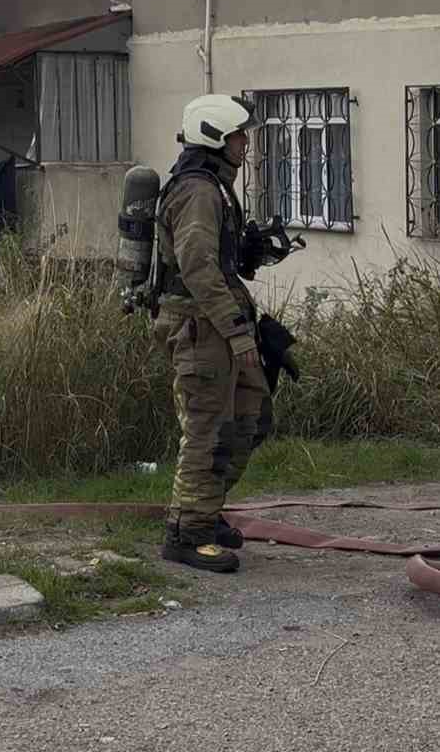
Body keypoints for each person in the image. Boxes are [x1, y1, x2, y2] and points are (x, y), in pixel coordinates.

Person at [153, 94, 273, 573]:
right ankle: (187, 535)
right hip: (201, 328)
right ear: (217, 137)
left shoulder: (215, 189)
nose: (246, 144)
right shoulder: (199, 191)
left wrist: (252, 251)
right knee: (209, 428)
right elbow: (199, 269)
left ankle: (204, 510)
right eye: (239, 135)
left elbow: (219, 261)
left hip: (218, 325)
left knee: (251, 417)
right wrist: (239, 332)